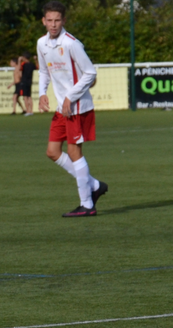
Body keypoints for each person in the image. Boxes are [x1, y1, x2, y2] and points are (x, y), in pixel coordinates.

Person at [37, 1, 108, 217]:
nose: (53, 24)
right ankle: (94, 185)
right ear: (43, 21)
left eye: (57, 20)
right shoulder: (42, 44)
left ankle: (87, 204)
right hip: (62, 107)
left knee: (73, 151)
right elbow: (43, 71)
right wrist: (41, 93)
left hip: (77, 107)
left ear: (64, 21)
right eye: (49, 20)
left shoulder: (71, 44)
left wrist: (70, 96)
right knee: (52, 151)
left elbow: (90, 73)